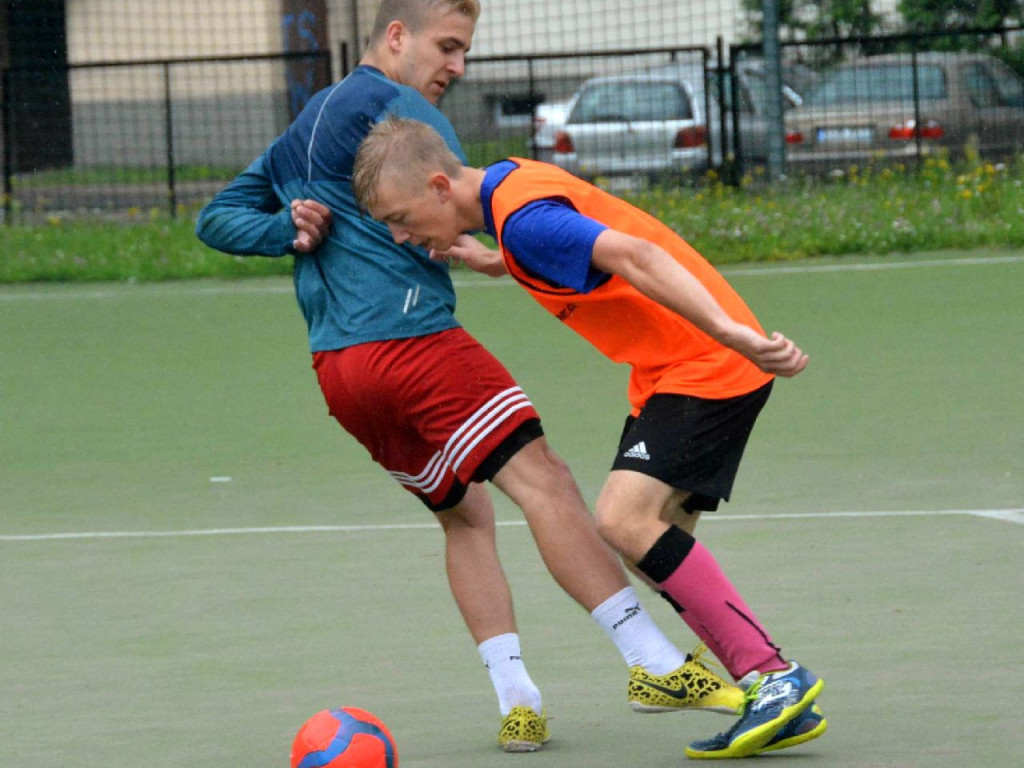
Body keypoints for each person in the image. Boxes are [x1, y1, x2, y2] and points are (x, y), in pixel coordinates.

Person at [195, 0, 746, 754]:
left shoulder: (307, 124)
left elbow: (214, 217)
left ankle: (517, 700)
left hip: (339, 373)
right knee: (544, 481)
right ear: (396, 37)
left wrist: (285, 226)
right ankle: (652, 661)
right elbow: (470, 201)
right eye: (447, 47)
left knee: (465, 518)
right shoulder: (401, 111)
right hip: (414, 341)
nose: (456, 66)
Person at [350, 116, 829, 760]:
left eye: (400, 217)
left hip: (705, 366)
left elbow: (638, 256)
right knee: (650, 545)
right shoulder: (509, 192)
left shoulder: (525, 221)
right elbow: (571, 242)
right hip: (674, 370)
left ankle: (771, 677)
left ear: (440, 186)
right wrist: (501, 263)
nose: (400, 235)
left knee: (622, 520)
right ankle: (769, 690)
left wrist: (733, 333)